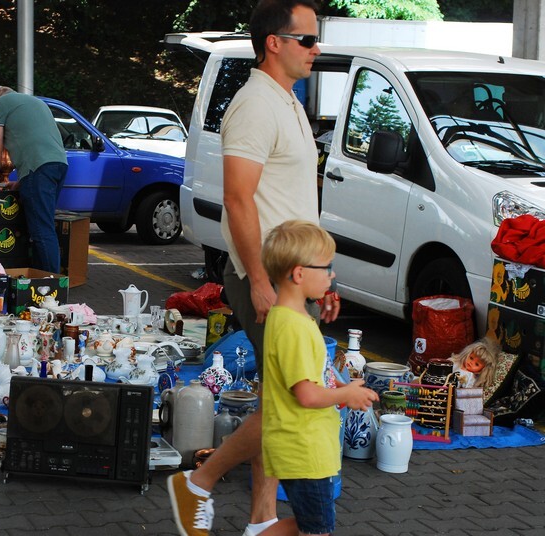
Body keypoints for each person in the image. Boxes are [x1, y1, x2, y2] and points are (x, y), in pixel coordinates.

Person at [167, 2, 341, 535]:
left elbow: (292, 199)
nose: (316, 49)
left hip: (294, 278)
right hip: (268, 280)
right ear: (273, 42)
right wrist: (261, 282)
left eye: (316, 40)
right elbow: (238, 200)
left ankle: (261, 520)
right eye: (306, 40)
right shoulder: (254, 104)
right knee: (288, 403)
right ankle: (200, 480)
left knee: (278, 397)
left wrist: (322, 277)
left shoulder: (286, 101)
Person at [258, 220, 377, 536]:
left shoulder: (293, 318)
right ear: (299, 274)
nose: (332, 274)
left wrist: (337, 384)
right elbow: (307, 395)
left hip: (305, 447)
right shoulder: (294, 327)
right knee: (317, 530)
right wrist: (345, 396)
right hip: (303, 449)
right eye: (327, 267)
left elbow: (311, 375)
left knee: (310, 526)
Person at [0, 86, 68, 274]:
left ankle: (51, 287)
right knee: (42, 227)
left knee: (42, 231)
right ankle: (39, 280)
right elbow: (39, 143)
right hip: (59, 165)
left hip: (39, 169)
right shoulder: (37, 102)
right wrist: (22, 182)